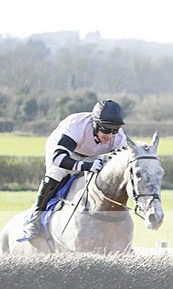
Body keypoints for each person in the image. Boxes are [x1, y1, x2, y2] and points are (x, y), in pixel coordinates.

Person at [20, 99, 128, 240]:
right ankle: (34, 217)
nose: (110, 135)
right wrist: (86, 166)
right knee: (56, 174)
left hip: (93, 153)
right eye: (106, 129)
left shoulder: (119, 138)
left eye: (115, 130)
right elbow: (58, 158)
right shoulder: (77, 126)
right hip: (64, 151)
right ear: (95, 123)